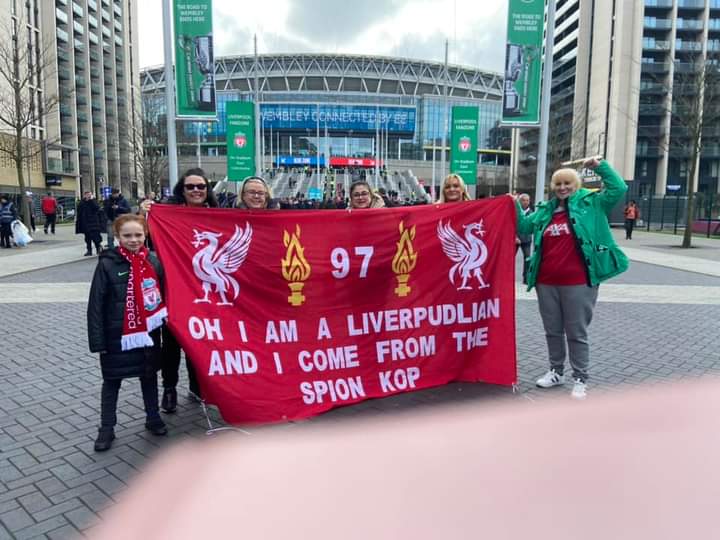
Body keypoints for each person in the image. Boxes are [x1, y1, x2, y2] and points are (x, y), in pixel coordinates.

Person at [516, 158, 628, 400]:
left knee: (576, 332)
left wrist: (600, 166)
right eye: (558, 184)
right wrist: (512, 204)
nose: (562, 187)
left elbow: (619, 188)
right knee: (552, 330)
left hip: (578, 282)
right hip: (546, 281)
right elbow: (524, 226)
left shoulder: (592, 203)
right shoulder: (545, 210)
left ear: (575, 185)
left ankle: (580, 377)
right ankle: (556, 371)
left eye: (567, 183)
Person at [87, 214, 168, 452]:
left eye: (138, 235)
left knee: (149, 376)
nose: (133, 240)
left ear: (146, 235)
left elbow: (164, 297)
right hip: (116, 336)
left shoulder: (153, 261)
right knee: (112, 382)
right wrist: (97, 340)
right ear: (117, 237)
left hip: (148, 335)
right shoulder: (107, 264)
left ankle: (153, 417)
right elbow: (96, 305)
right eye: (127, 236)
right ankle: (106, 427)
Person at [141, 168, 218, 413]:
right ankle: (170, 388)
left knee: (204, 339)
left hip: (207, 290)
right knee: (172, 342)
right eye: (190, 187)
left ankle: (198, 385)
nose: (196, 191)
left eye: (201, 187)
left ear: (207, 190)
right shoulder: (168, 214)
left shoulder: (219, 215)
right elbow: (140, 237)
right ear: (181, 190)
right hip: (175, 287)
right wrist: (144, 215)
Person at [76, 191, 104, 256]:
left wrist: (91, 200)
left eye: (89, 195)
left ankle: (98, 248)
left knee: (96, 237)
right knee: (87, 238)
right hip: (85, 223)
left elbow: (97, 208)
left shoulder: (94, 201)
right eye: (87, 195)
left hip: (94, 222)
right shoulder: (82, 202)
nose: (88, 196)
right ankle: (89, 250)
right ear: (84, 195)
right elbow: (79, 211)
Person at [516, 193, 533, 284]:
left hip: (526, 240)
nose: (525, 202)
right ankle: (508, 277)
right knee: (510, 259)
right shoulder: (516, 212)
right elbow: (512, 224)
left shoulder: (531, 212)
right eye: (523, 200)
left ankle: (526, 278)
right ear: (519, 201)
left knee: (527, 258)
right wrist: (515, 236)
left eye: (527, 200)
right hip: (515, 239)